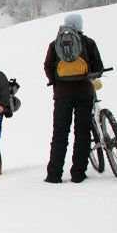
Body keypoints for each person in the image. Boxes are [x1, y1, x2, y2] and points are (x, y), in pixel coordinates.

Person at [44, 13, 104, 183]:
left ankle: (54, 175)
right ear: (80, 25)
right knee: (82, 132)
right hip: (84, 92)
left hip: (62, 94)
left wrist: (55, 80)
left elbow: (47, 66)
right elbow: (98, 65)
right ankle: (78, 173)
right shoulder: (88, 42)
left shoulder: (54, 44)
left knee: (60, 133)